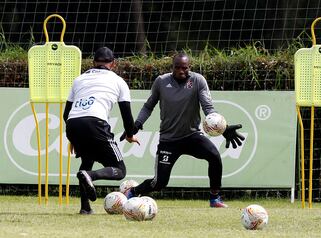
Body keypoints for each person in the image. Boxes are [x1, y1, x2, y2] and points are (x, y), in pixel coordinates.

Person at [120, 53, 244, 208]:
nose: (180, 71)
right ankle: (132, 192)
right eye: (177, 67)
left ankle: (215, 198)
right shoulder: (161, 82)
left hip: (192, 136)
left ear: (189, 67)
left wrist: (223, 129)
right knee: (159, 183)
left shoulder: (198, 80)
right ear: (172, 67)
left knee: (214, 156)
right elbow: (148, 106)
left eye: (184, 68)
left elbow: (208, 108)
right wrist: (136, 125)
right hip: (168, 140)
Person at [63, 47, 139, 214]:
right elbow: (127, 116)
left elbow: (66, 114)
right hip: (95, 123)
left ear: (93, 62)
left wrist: (74, 138)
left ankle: (85, 208)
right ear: (113, 64)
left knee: (87, 161)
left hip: (72, 125)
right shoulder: (119, 81)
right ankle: (91, 176)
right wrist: (130, 134)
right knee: (119, 170)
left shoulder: (79, 79)